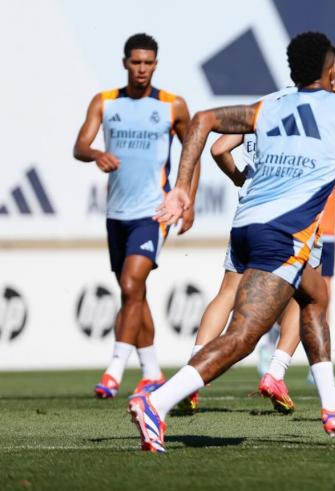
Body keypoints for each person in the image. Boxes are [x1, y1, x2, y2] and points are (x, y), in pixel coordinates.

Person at [128, 31, 335, 452]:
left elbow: (202, 122)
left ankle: (333, 407)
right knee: (244, 337)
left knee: (315, 296)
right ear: (329, 70)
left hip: (247, 226)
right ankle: (156, 403)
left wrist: (182, 189)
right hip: (282, 234)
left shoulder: (269, 105)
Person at [174, 49, 335, 416]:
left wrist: (242, 178)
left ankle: (191, 372)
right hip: (298, 218)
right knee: (307, 296)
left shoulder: (267, 106)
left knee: (227, 291)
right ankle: (276, 372)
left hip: (251, 211)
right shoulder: (322, 112)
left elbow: (220, 147)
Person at [73, 33, 199, 399]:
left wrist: (186, 198)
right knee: (134, 293)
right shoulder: (106, 102)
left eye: (148, 63)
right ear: (125, 63)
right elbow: (79, 145)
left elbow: (193, 151)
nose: (142, 69)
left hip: (153, 212)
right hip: (117, 214)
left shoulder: (173, 105)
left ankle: (114, 370)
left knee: (130, 285)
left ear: (156, 64)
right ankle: (152, 371)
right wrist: (96, 154)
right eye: (136, 62)